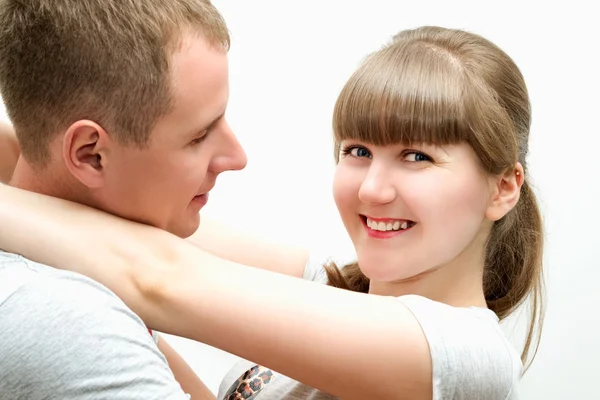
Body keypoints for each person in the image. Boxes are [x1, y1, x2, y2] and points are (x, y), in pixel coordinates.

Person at [0, 25, 544, 400]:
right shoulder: (329, 286)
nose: (373, 190)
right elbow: (122, 216)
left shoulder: (468, 360)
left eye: (417, 157)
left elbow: (157, 275)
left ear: (503, 188)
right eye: (357, 151)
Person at [0, 0, 246, 399]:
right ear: (90, 154)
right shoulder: (63, 321)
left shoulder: (75, 283)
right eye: (199, 137)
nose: (237, 157)